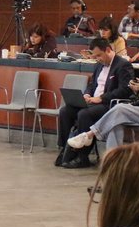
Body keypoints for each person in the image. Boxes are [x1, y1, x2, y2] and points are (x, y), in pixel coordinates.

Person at [66, 44, 139, 165]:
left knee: (119, 108)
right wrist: (136, 88)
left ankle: (89, 134)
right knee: (115, 123)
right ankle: (112, 162)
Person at [57, 38, 133, 167]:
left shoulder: (123, 65)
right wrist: (87, 93)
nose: (97, 59)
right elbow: (92, 85)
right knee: (65, 111)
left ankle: (82, 156)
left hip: (108, 104)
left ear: (108, 50)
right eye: (95, 56)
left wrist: (102, 98)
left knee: (84, 114)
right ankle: (66, 150)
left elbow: (125, 90)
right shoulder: (98, 65)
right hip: (92, 101)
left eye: (99, 55)